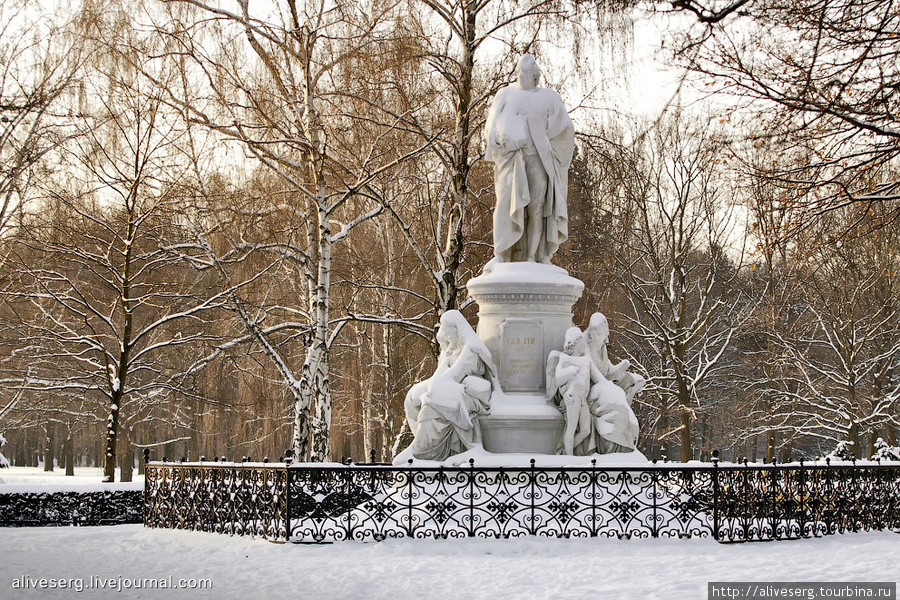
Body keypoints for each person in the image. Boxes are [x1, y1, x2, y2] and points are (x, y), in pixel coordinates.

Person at [484, 54, 574, 265]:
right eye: (518, 73)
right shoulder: (505, 95)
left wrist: (547, 143)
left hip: (539, 161)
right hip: (513, 161)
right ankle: (503, 254)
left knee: (537, 207)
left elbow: (565, 130)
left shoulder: (549, 97)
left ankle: (534, 257)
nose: (520, 76)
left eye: (524, 73)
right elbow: (491, 129)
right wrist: (505, 139)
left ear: (535, 75)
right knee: (506, 203)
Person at [404, 311, 500, 461]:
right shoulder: (452, 349)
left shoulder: (471, 349)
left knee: (431, 403)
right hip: (454, 388)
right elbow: (439, 376)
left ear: (457, 331)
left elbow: (454, 375)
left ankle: (424, 451)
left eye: (449, 334)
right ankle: (420, 443)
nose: (447, 338)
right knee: (412, 398)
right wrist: (424, 389)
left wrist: (433, 389)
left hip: (472, 395)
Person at [546, 327, 595, 456]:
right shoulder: (565, 359)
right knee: (571, 428)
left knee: (585, 430)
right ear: (574, 344)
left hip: (583, 398)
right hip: (573, 396)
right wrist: (564, 393)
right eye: (580, 343)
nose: (583, 345)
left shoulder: (585, 360)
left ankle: (564, 451)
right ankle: (569, 456)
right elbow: (557, 379)